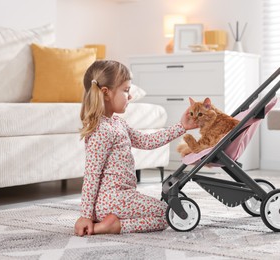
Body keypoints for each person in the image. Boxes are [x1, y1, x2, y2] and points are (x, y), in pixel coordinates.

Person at [74, 60, 198, 236]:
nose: (130, 96)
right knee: (167, 214)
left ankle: (110, 221)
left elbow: (147, 142)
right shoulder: (101, 131)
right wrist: (85, 215)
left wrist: (181, 126)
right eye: (126, 90)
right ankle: (109, 226)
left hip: (117, 199)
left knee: (166, 213)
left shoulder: (117, 123)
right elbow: (91, 175)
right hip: (113, 200)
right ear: (106, 93)